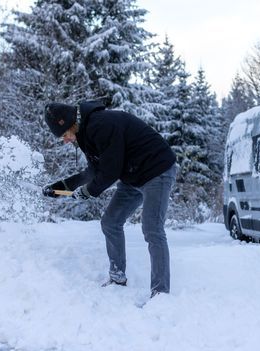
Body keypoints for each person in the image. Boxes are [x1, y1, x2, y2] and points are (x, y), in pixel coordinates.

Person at [43, 100, 177, 298]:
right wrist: (59, 188)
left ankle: (160, 292)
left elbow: (110, 170)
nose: (65, 140)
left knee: (152, 229)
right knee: (110, 222)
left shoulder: (101, 124)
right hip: (133, 176)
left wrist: (89, 191)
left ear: (70, 124)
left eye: (64, 135)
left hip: (157, 170)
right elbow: (93, 171)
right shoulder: (85, 133)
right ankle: (117, 277)